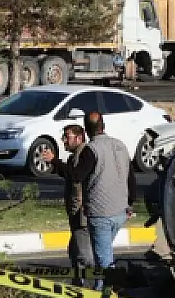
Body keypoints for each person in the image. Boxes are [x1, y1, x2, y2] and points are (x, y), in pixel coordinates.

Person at [74, 110, 135, 285]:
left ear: (86, 130)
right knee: (103, 254)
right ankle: (100, 288)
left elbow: (77, 175)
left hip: (101, 213)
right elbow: (130, 177)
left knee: (104, 261)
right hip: (120, 210)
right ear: (104, 126)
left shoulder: (91, 150)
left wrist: (57, 164)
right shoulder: (120, 145)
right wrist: (130, 203)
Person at [54, 123, 95, 283]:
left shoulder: (85, 153)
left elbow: (76, 175)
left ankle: (107, 277)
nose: (64, 140)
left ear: (79, 138)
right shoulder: (74, 156)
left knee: (85, 256)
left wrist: (54, 161)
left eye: (67, 137)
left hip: (82, 212)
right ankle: (78, 283)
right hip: (74, 212)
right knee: (74, 251)